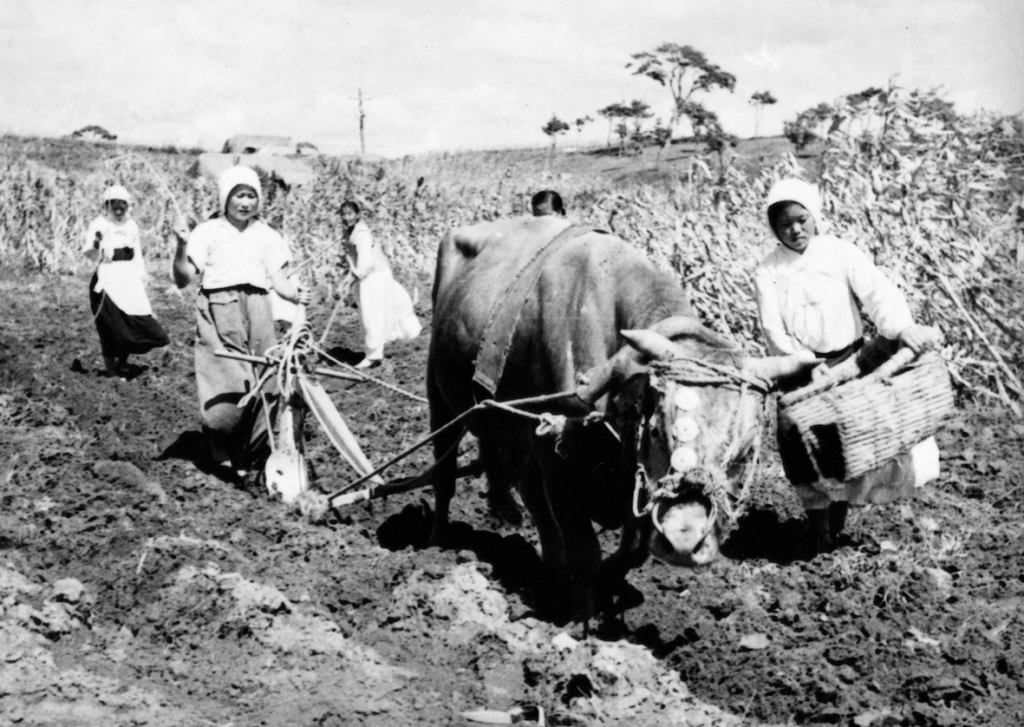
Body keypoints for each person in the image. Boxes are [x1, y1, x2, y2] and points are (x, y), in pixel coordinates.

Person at [753, 178, 943, 552]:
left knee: (846, 446)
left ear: (814, 216)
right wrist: (805, 364)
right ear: (773, 228)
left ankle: (836, 523)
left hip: (850, 362)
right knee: (800, 443)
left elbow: (878, 292)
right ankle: (818, 530)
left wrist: (901, 327)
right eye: (784, 224)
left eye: (801, 219)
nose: (794, 229)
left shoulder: (838, 252)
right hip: (802, 371)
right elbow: (771, 328)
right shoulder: (768, 270)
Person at [171, 165, 309, 471]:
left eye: (251, 196)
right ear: (226, 198)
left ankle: (255, 448)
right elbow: (183, 278)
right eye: (239, 195)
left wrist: (297, 295)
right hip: (219, 307)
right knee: (227, 378)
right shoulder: (207, 232)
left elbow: (279, 279)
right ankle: (220, 444)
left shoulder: (267, 235)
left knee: (266, 376)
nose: (245, 202)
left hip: (258, 308)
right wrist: (181, 245)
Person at [82, 185, 169, 378]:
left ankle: (122, 362)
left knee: (137, 320)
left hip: (129, 279)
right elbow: (89, 251)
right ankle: (111, 371)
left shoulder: (131, 225)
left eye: (122, 203)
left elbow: (137, 253)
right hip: (107, 278)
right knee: (111, 327)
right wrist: (97, 247)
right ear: (107, 205)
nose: (119, 207)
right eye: (115, 204)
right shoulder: (99, 224)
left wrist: (142, 275)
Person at [338, 200, 422, 368]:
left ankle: (373, 356)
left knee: (372, 317)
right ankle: (374, 351)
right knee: (374, 315)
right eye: (343, 214)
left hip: (374, 277)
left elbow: (364, 266)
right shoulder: (351, 232)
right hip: (369, 277)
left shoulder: (362, 235)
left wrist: (347, 284)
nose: (346, 218)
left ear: (357, 215)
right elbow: (354, 263)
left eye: (350, 214)